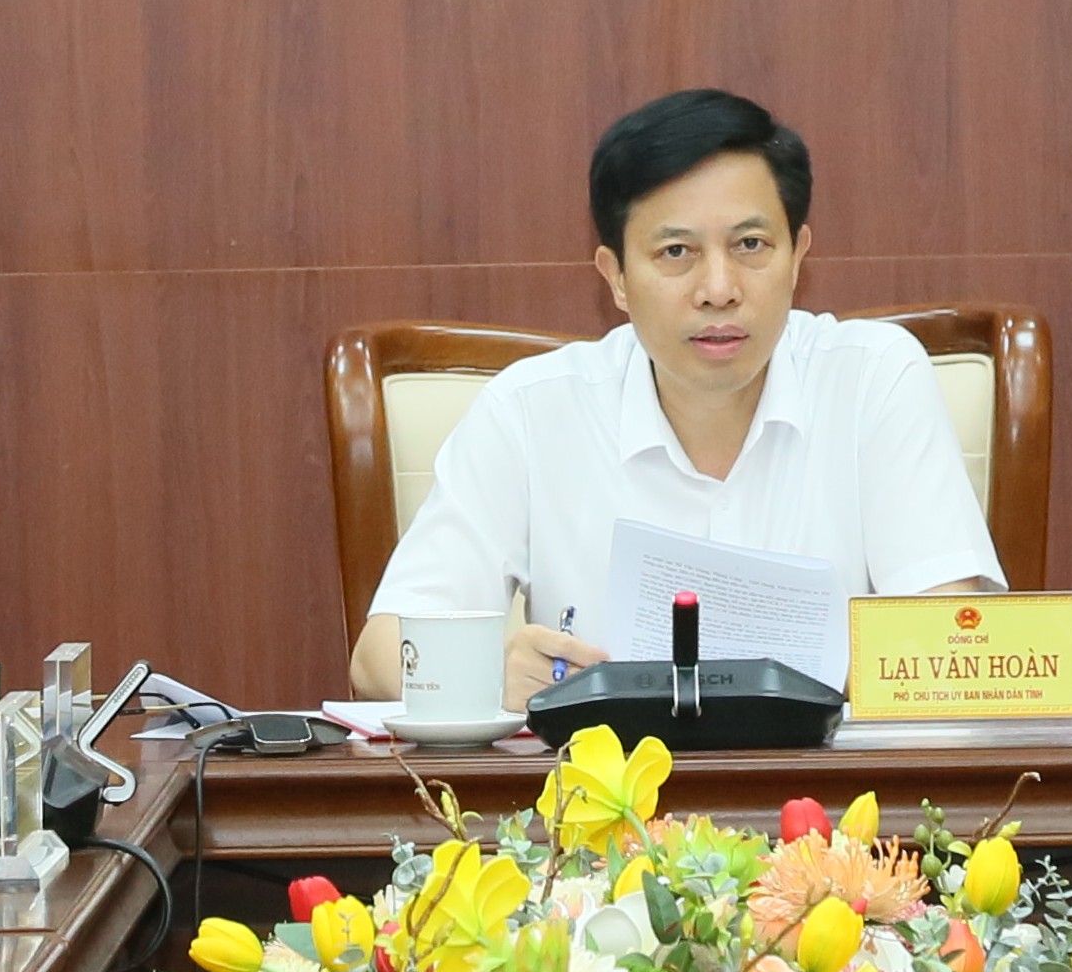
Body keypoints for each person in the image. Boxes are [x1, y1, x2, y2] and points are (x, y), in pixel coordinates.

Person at [353, 88, 999, 717]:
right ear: (615, 277)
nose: (718, 289)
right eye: (676, 252)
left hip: (828, 787)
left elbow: (947, 641)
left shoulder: (873, 378)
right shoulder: (530, 411)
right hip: (601, 785)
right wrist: (486, 671)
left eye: (750, 245)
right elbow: (379, 656)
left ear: (798, 256)